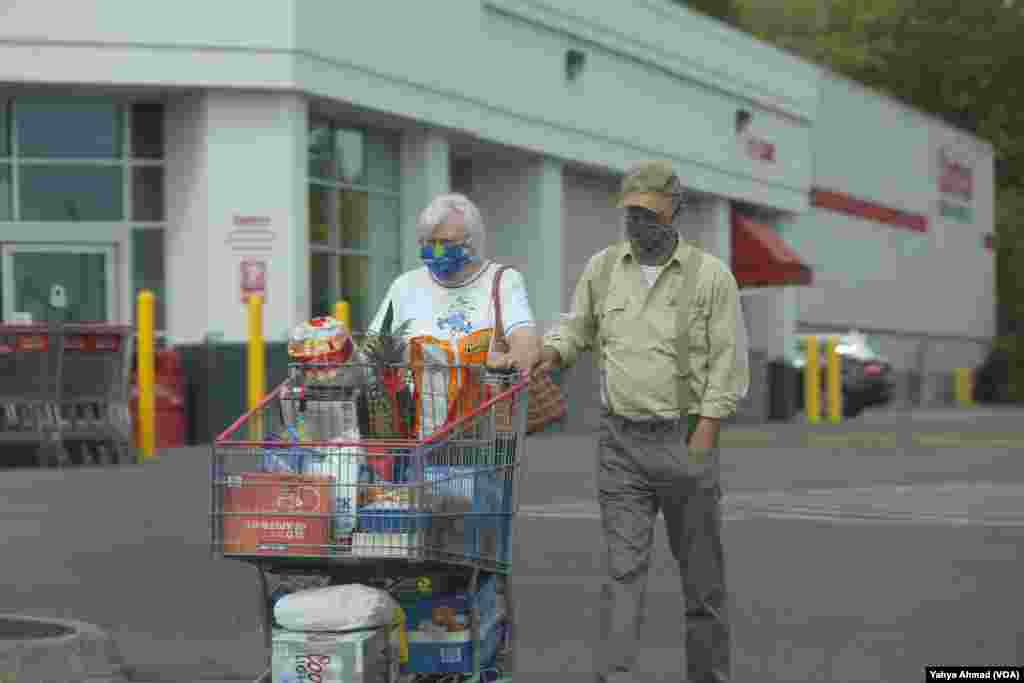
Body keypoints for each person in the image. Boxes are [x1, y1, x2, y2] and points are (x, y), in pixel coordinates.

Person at [533, 161, 750, 683]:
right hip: (620, 444)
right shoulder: (602, 269)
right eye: (630, 213)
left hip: (685, 439)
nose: (637, 223)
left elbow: (729, 363)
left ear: (676, 210)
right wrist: (551, 354)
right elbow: (576, 328)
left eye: (649, 213)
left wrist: (704, 435)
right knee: (623, 573)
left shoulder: (711, 276)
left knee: (702, 582)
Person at [369, 192, 541, 377]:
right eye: (429, 242)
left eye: (445, 242)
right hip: (413, 403)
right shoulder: (405, 286)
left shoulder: (503, 280)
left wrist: (515, 357)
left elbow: (524, 339)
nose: (436, 251)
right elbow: (372, 349)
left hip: (482, 402)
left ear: (472, 242)